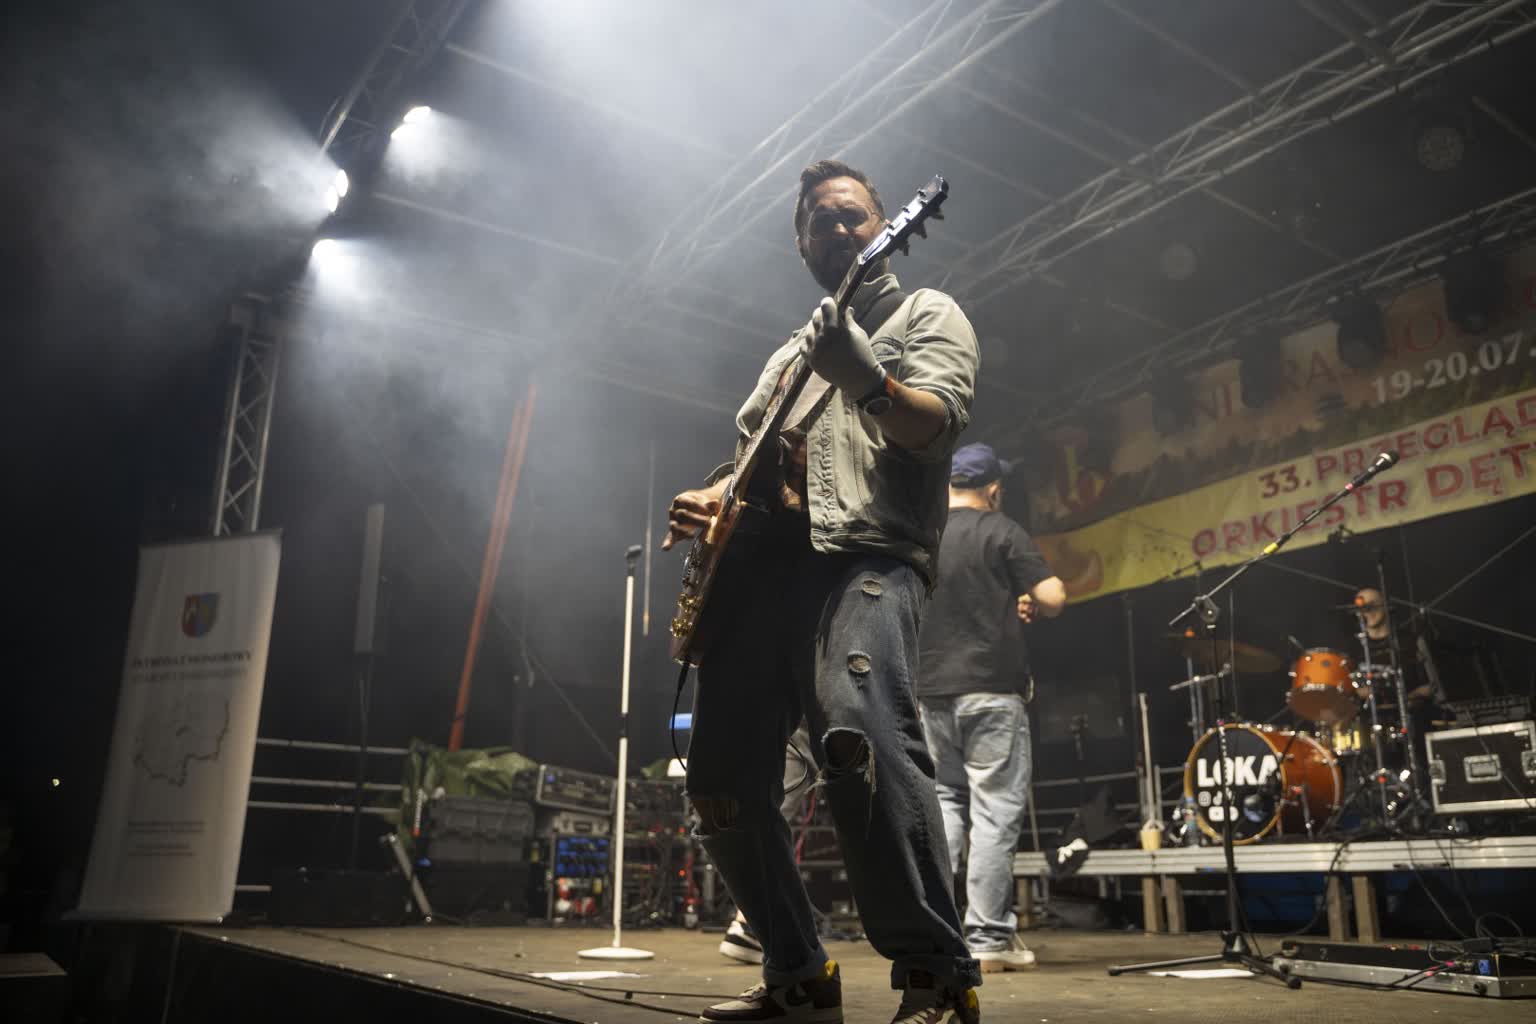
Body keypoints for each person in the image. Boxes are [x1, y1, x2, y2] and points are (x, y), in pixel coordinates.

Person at [664, 159, 981, 1024]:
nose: (838, 230)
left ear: (888, 226)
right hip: (757, 577)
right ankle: (797, 976)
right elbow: (754, 461)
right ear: (800, 243)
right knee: (717, 779)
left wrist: (867, 378)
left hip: (863, 558)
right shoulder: (785, 357)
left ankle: (937, 977)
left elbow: (935, 427)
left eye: (853, 215)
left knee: (856, 733)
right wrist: (716, 496)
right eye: (820, 221)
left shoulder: (925, 314)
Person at [915, 444, 1065, 973]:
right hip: (992, 690)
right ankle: (988, 935)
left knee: (943, 806)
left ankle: (937, 929)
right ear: (994, 489)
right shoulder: (1002, 530)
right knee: (995, 811)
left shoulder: (924, 534)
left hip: (930, 689)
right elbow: (1052, 597)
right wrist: (1030, 596)